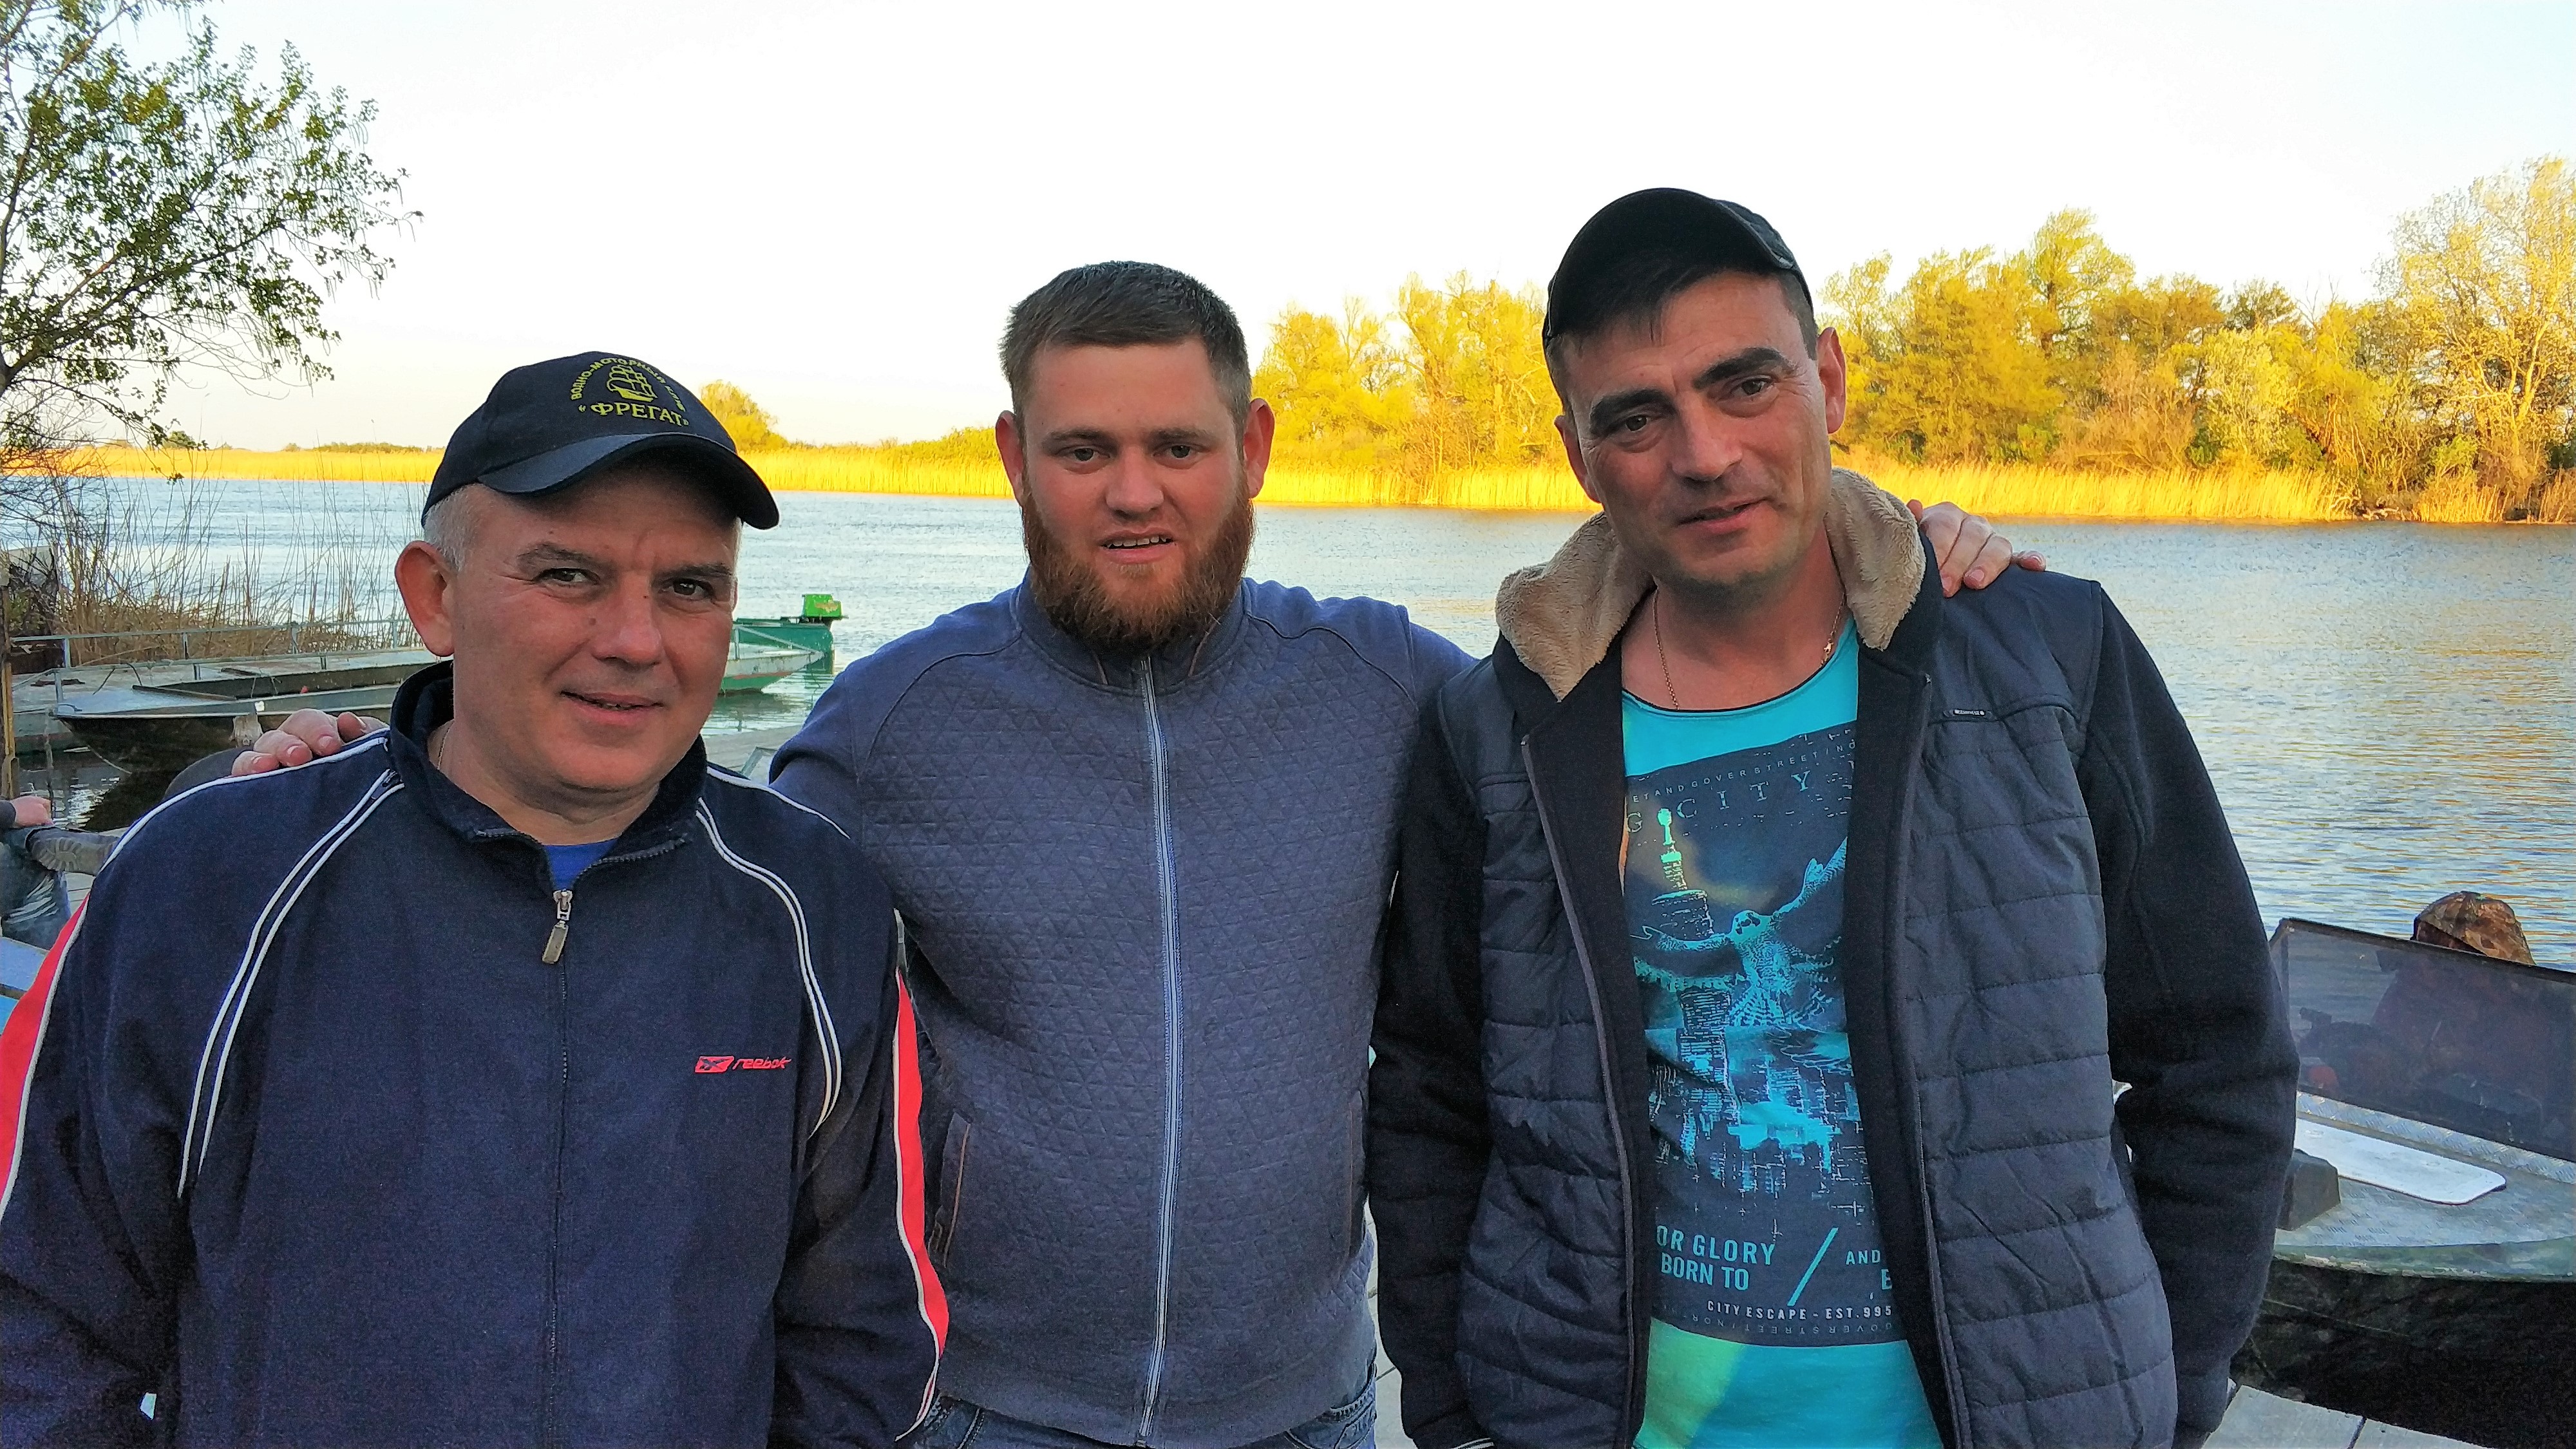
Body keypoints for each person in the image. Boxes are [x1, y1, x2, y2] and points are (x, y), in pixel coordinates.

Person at [232, 272, 2034, 1449]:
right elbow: (659, 855)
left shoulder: (1391, 688)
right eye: (1082, 449)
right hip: (982, 1409)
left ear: (1250, 451)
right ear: (1015, 458)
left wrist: (1889, 544)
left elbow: (1642, 642)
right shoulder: (894, 723)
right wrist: (373, 764)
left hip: (1305, 1405)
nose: (1133, 490)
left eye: (1177, 445)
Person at [1368, 191, 2297, 1449]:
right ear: (1579, 453)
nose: (1703, 453)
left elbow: (2216, 1053)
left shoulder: (2043, 659)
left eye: (1744, 383)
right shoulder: (1497, 731)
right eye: (1635, 417)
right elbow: (1430, 1096)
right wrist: (1458, 1407)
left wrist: (2161, 1389)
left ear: (1830, 380)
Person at [0, 352, 943, 1446]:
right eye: (568, 574)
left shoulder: (814, 907)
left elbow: (865, 1329)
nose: (635, 639)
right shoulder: (200, 884)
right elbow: (38, 1311)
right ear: (435, 596)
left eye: (689, 586)